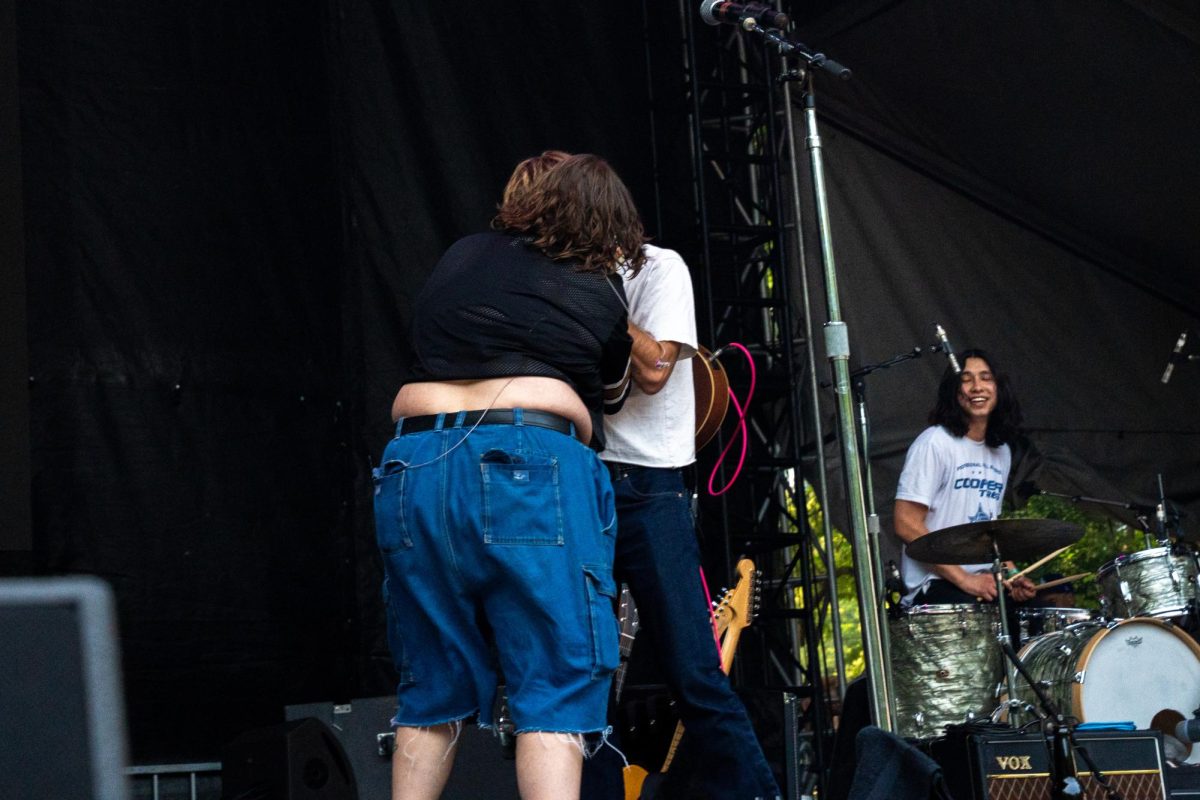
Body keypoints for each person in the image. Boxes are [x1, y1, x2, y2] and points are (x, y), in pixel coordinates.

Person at [372, 153, 645, 800]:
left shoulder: (464, 254)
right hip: (530, 467)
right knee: (555, 682)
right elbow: (612, 389)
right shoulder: (599, 287)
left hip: (416, 466)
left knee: (430, 687)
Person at [587, 240, 781, 798]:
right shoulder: (555, 272)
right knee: (588, 678)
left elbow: (654, 370)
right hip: (583, 480)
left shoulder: (660, 267)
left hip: (650, 487)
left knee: (693, 669)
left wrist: (598, 298)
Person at [894, 349, 1037, 607]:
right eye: (966, 379)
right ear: (954, 391)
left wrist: (1013, 575)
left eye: (985, 378)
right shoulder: (935, 443)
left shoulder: (1001, 451)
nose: (977, 387)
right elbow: (905, 522)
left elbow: (987, 527)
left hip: (983, 581)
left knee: (1035, 618)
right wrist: (964, 579)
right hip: (934, 585)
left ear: (998, 388)